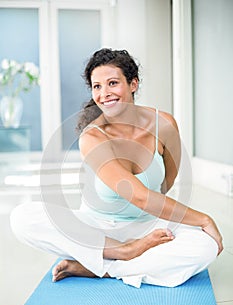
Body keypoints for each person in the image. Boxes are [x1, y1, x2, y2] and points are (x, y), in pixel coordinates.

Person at [10, 48, 223, 288]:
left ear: (133, 84)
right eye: (97, 86)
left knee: (205, 247)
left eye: (112, 83)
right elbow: (141, 197)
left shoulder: (164, 124)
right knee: (22, 218)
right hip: (98, 228)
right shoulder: (93, 137)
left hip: (147, 224)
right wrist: (203, 218)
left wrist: (182, 224)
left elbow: (166, 183)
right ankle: (123, 252)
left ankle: (101, 268)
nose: (104, 94)